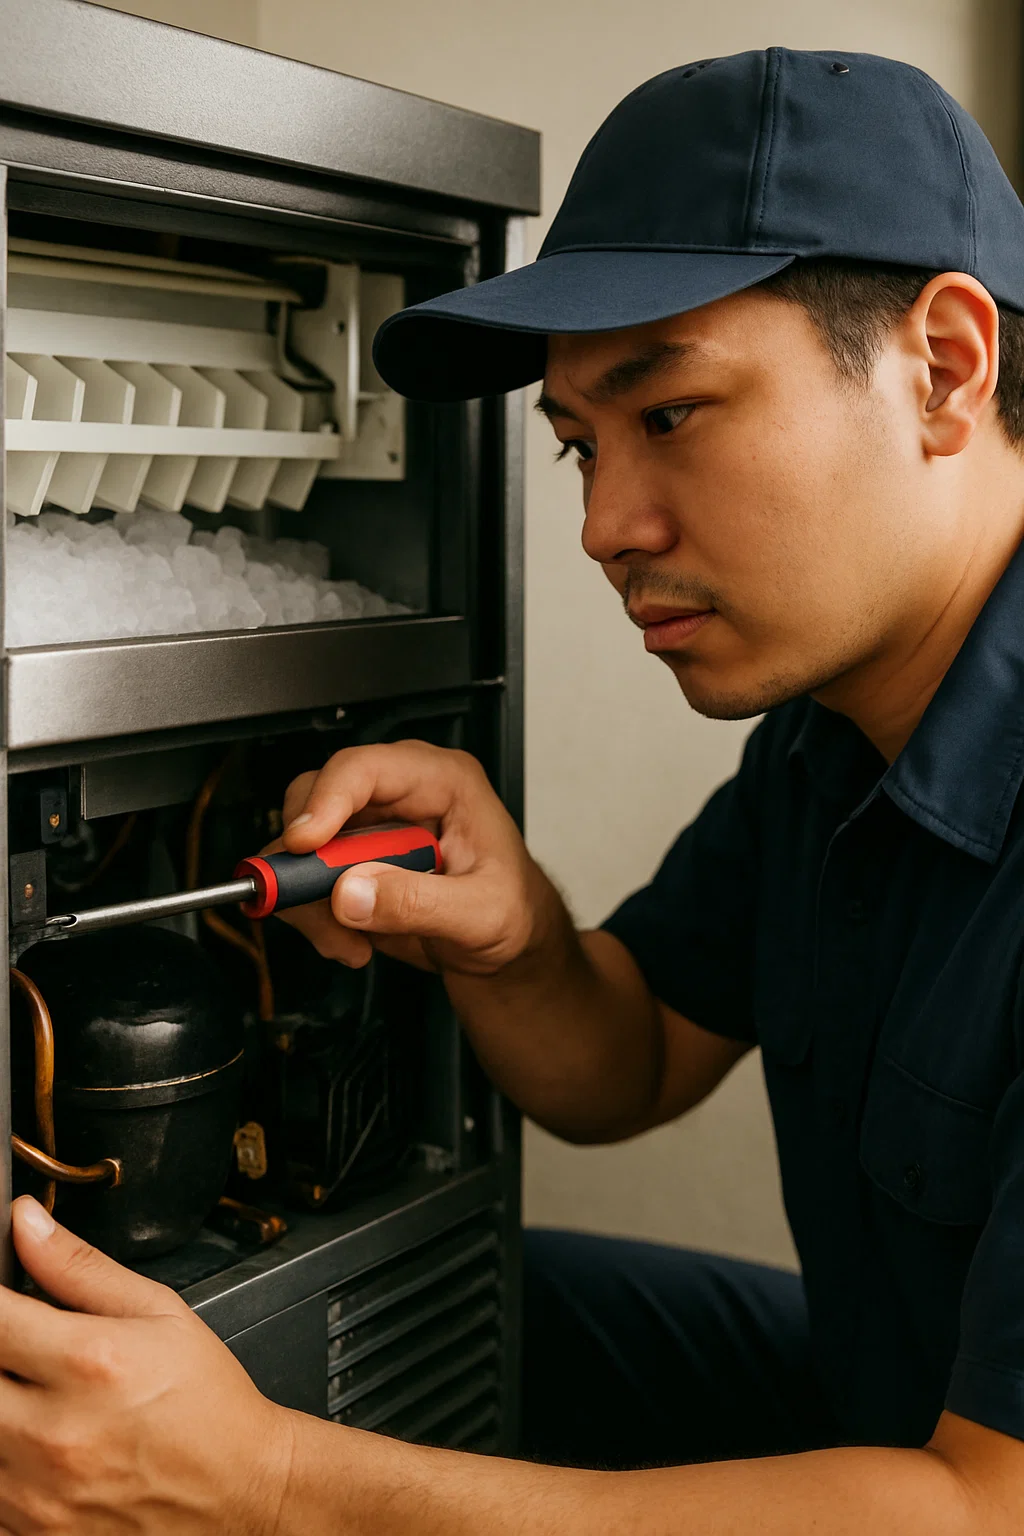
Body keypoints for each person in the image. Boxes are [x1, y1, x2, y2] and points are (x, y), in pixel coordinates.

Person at [5, 43, 1024, 1533]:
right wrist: (514, 930)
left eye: (668, 414)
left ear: (943, 366)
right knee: (474, 1306)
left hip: (963, 1479)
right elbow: (631, 1062)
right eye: (576, 446)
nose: (607, 526)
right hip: (895, 1389)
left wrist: (268, 1480)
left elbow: (984, 1512)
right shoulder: (835, 739)